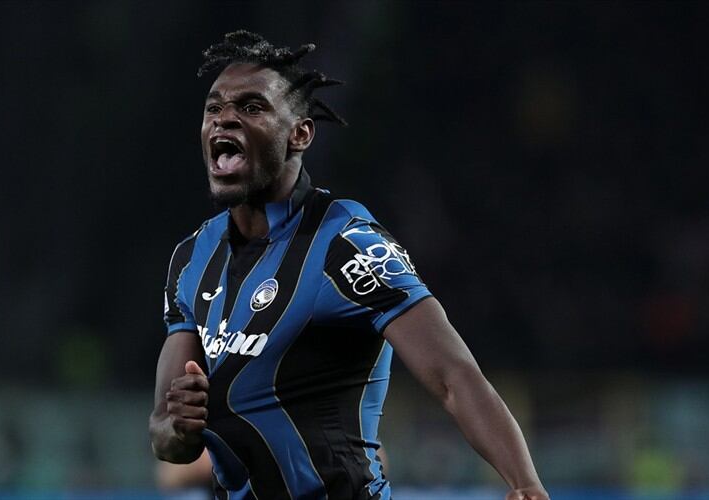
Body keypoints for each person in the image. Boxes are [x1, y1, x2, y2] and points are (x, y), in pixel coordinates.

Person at [149, 30, 549, 500]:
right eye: (214, 108)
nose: (225, 120)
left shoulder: (346, 242)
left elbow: (453, 377)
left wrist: (525, 484)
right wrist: (178, 425)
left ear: (300, 133)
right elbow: (166, 438)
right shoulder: (191, 258)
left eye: (252, 107)